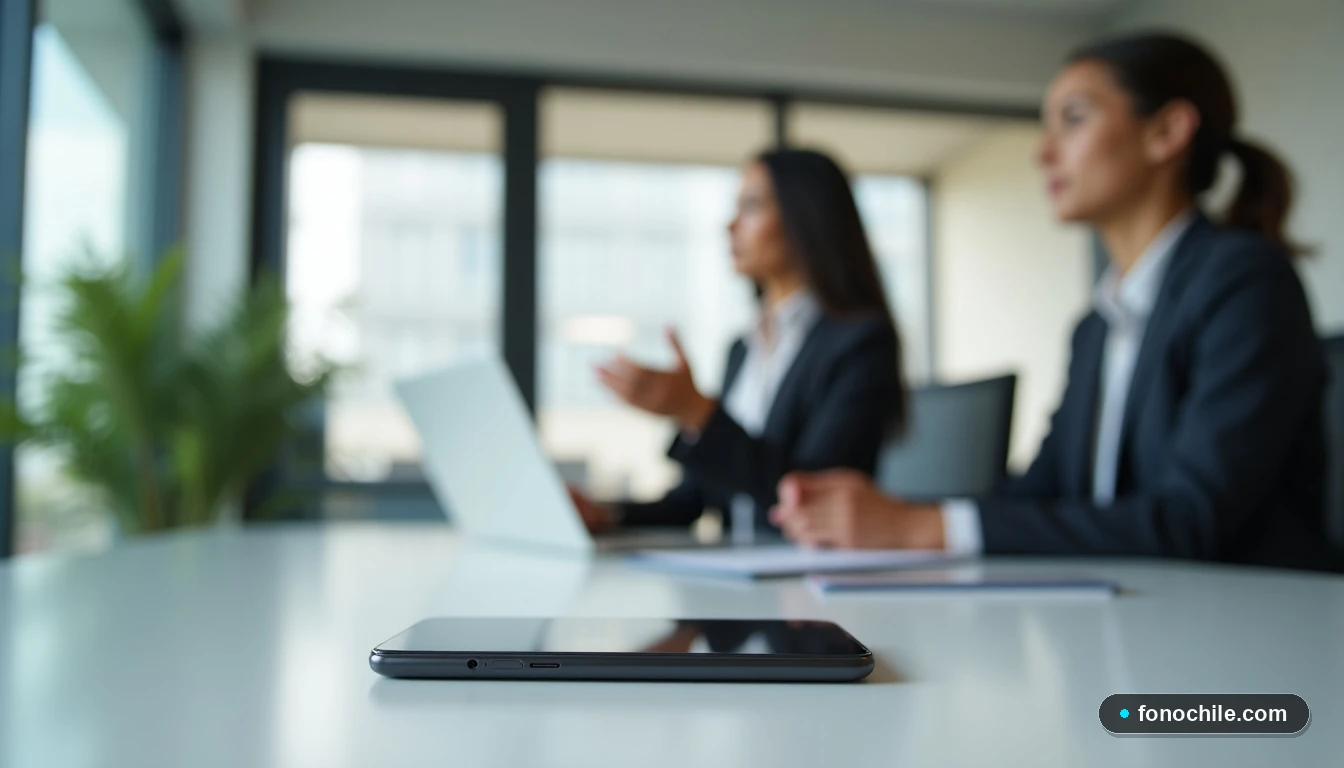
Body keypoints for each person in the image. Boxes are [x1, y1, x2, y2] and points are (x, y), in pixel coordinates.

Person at [771, 32, 1337, 570]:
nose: (1043, 153)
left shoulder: (1245, 280)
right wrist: (888, 511)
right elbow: (1040, 493)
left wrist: (922, 528)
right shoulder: (1096, 325)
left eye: (1073, 120)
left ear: (1166, 133)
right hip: (1150, 621)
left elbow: (1189, 521)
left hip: (1250, 639)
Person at [569, 149, 905, 539]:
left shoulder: (860, 343)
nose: (730, 225)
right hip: (738, 579)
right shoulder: (743, 349)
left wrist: (696, 412)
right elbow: (696, 498)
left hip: (808, 581)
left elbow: (813, 498)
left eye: (751, 206)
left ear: (805, 218)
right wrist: (604, 516)